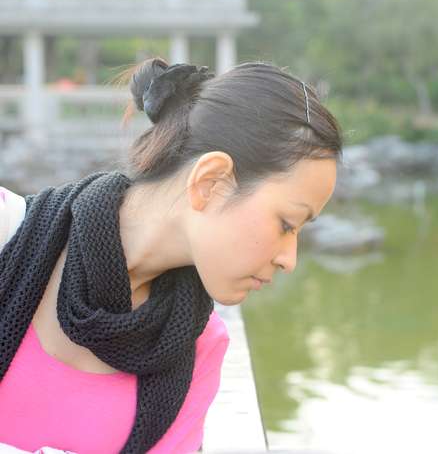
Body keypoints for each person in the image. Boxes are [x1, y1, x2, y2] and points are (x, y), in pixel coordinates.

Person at [0, 58, 342, 453]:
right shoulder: (8, 236)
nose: (289, 260)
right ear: (210, 181)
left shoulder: (195, 347)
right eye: (286, 224)